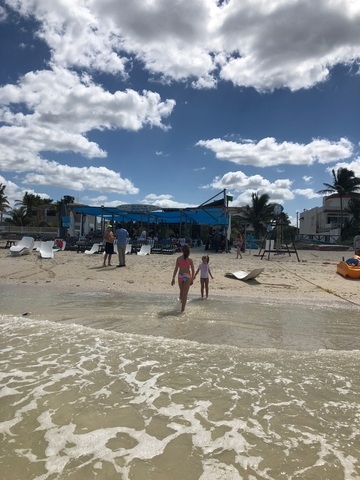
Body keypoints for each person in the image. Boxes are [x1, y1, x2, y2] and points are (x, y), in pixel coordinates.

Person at [171, 243, 195, 312]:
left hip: (180, 275)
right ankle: (182, 310)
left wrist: (173, 278)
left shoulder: (178, 259)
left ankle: (179, 306)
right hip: (187, 275)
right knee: (185, 293)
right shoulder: (190, 259)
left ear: (182, 250)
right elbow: (193, 270)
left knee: (181, 292)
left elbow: (176, 269)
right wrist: (192, 278)